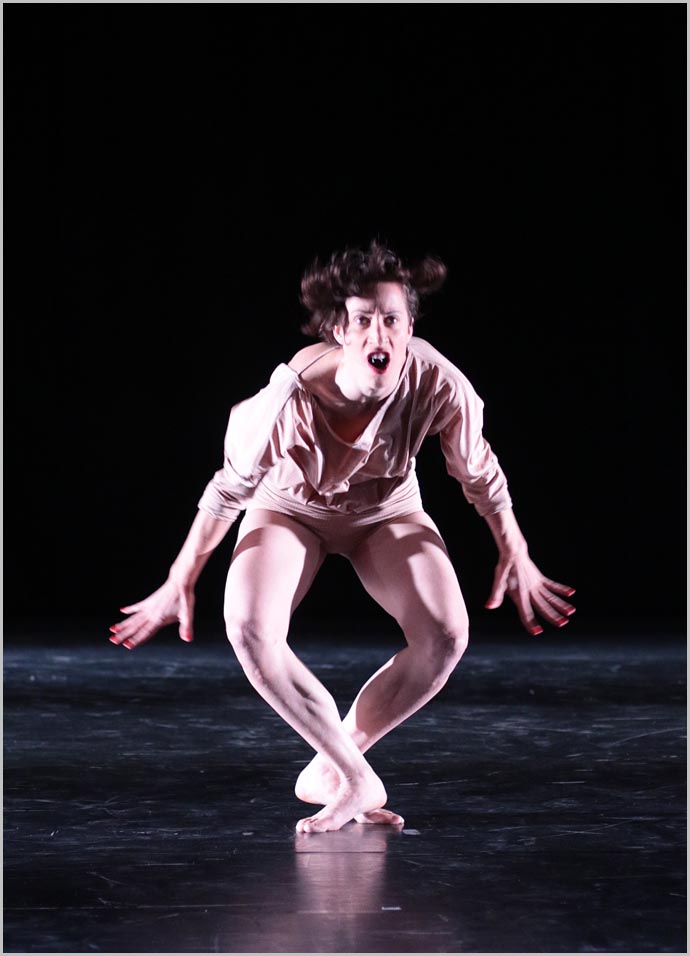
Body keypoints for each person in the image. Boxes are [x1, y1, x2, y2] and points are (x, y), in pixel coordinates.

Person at [109, 240, 576, 833]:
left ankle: (336, 766)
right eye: (363, 320)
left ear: (409, 328)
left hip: (386, 511)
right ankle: (357, 778)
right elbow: (229, 488)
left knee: (446, 634)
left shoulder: (437, 382)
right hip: (289, 508)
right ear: (339, 330)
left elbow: (478, 470)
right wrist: (181, 577)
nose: (380, 333)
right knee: (248, 627)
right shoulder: (289, 397)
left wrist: (516, 549)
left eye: (392, 319)